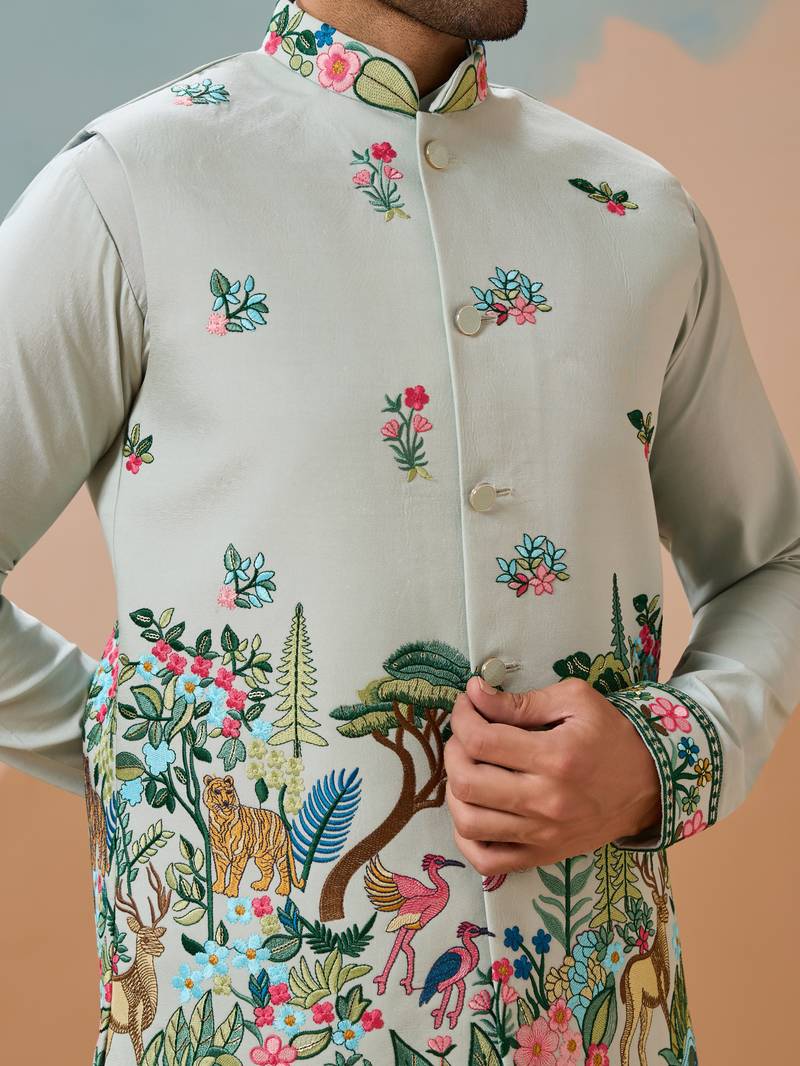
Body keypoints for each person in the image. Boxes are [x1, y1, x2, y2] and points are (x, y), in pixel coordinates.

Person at [1, 1, 798, 1063]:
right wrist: (155, 764)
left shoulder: (637, 214)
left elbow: (773, 564)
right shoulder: (130, 191)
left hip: (600, 1027)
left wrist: (666, 759)